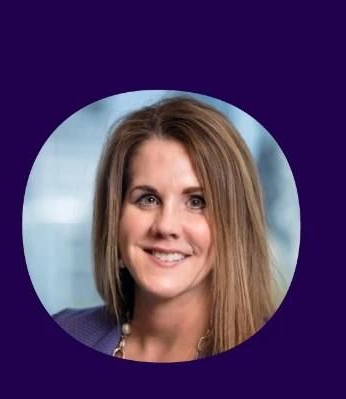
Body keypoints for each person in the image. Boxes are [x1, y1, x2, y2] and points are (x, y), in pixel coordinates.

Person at [54, 97, 276, 362]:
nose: (165, 226)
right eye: (148, 199)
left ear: (236, 226)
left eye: (196, 202)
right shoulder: (68, 330)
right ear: (115, 218)